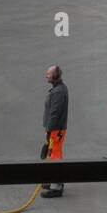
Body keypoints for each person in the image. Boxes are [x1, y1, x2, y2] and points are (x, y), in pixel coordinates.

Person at [41, 64, 68, 198]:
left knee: (55, 157)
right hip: (55, 130)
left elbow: (54, 113)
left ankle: (56, 188)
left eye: (49, 73)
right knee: (54, 155)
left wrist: (49, 129)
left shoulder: (58, 92)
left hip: (55, 130)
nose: (46, 75)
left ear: (55, 76)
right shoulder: (58, 90)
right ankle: (55, 181)